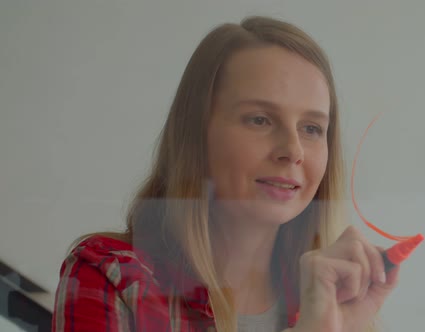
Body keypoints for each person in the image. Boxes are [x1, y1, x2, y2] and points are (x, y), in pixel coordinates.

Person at [51, 16, 399, 332]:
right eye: (260, 119)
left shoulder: (336, 302)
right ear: (196, 134)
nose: (293, 150)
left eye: (311, 128)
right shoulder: (110, 274)